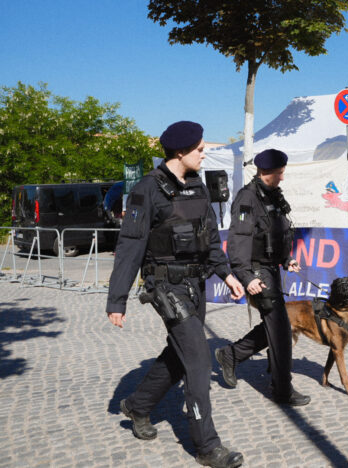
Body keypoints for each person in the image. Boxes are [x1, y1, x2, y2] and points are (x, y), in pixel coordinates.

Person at [105, 121, 246, 468]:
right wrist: (117, 300)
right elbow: (130, 246)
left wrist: (226, 274)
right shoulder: (147, 190)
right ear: (180, 152)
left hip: (196, 285)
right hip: (165, 286)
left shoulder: (198, 185)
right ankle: (207, 446)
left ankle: (137, 405)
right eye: (199, 149)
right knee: (198, 360)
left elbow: (209, 238)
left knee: (179, 354)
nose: (204, 153)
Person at [215, 149, 310, 407]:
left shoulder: (272, 196)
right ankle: (282, 390)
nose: (282, 178)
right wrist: (246, 277)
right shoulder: (247, 199)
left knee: (276, 326)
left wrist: (286, 258)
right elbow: (239, 242)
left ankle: (231, 355)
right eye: (280, 173)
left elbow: (273, 235)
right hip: (257, 272)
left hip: (271, 269)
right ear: (267, 172)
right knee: (280, 330)